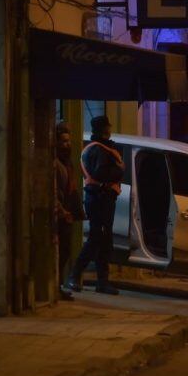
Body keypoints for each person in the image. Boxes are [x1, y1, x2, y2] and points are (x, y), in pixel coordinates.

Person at [66, 115, 125, 295]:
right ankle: (75, 276)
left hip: (99, 197)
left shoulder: (92, 148)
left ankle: (101, 281)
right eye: (107, 127)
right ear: (104, 129)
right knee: (97, 238)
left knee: (102, 238)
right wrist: (119, 170)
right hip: (101, 198)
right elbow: (102, 172)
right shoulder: (100, 150)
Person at [55, 122, 85, 301]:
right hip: (60, 214)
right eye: (64, 141)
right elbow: (53, 190)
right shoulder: (57, 164)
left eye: (69, 141)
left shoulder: (67, 163)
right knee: (60, 252)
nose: (68, 144)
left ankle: (59, 284)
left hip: (67, 214)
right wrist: (61, 210)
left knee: (65, 251)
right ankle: (57, 285)